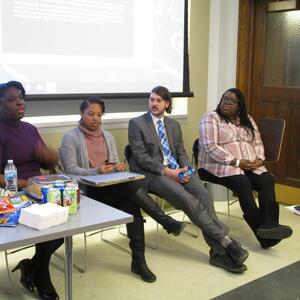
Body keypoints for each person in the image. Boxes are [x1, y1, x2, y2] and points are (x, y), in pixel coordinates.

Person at [59, 96, 186, 283]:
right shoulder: (71, 137)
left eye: (99, 115)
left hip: (112, 189)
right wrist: (97, 171)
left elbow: (116, 165)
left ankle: (139, 262)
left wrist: (117, 168)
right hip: (88, 192)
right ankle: (165, 221)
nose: (96, 119)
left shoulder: (107, 136)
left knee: (132, 207)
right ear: (81, 114)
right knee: (130, 187)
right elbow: (71, 171)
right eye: (91, 114)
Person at [128, 85, 249, 274]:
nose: (154, 103)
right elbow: (141, 157)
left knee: (203, 195)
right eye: (152, 99)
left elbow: (181, 152)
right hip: (153, 174)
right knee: (187, 200)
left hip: (178, 171)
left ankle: (218, 251)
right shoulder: (136, 124)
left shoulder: (173, 125)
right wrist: (169, 172)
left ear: (167, 103)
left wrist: (186, 170)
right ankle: (225, 242)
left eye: (159, 100)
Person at [198, 88, 293, 249]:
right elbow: (210, 147)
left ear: (239, 106)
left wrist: (259, 160)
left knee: (266, 179)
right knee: (242, 183)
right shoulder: (211, 118)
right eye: (224, 98)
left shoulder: (247, 119)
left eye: (231, 100)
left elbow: (257, 142)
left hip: (247, 165)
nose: (226, 102)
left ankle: (270, 226)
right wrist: (236, 162)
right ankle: (263, 236)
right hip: (216, 166)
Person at [0, 81, 62, 300]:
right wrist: (27, 183)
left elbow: (46, 163)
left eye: (21, 98)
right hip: (10, 195)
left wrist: (50, 157)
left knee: (62, 228)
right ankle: (41, 275)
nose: (19, 103)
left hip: (38, 191)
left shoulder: (30, 129)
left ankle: (31, 266)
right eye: (11, 99)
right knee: (47, 228)